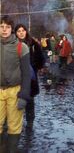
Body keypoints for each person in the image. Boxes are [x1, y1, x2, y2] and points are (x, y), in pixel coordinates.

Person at [0, 16, 31, 152]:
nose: (4, 29)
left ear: (11, 29)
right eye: (1, 26)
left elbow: (26, 73)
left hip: (15, 91)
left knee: (14, 125)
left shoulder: (21, 47)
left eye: (7, 27)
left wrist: (24, 95)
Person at [15, 24, 45, 129]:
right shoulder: (13, 44)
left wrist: (33, 67)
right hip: (16, 77)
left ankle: (30, 122)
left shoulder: (33, 44)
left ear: (26, 31)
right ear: (16, 33)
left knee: (29, 101)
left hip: (30, 78)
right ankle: (14, 123)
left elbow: (41, 59)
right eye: (19, 31)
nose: (21, 33)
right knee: (15, 100)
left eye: (23, 30)